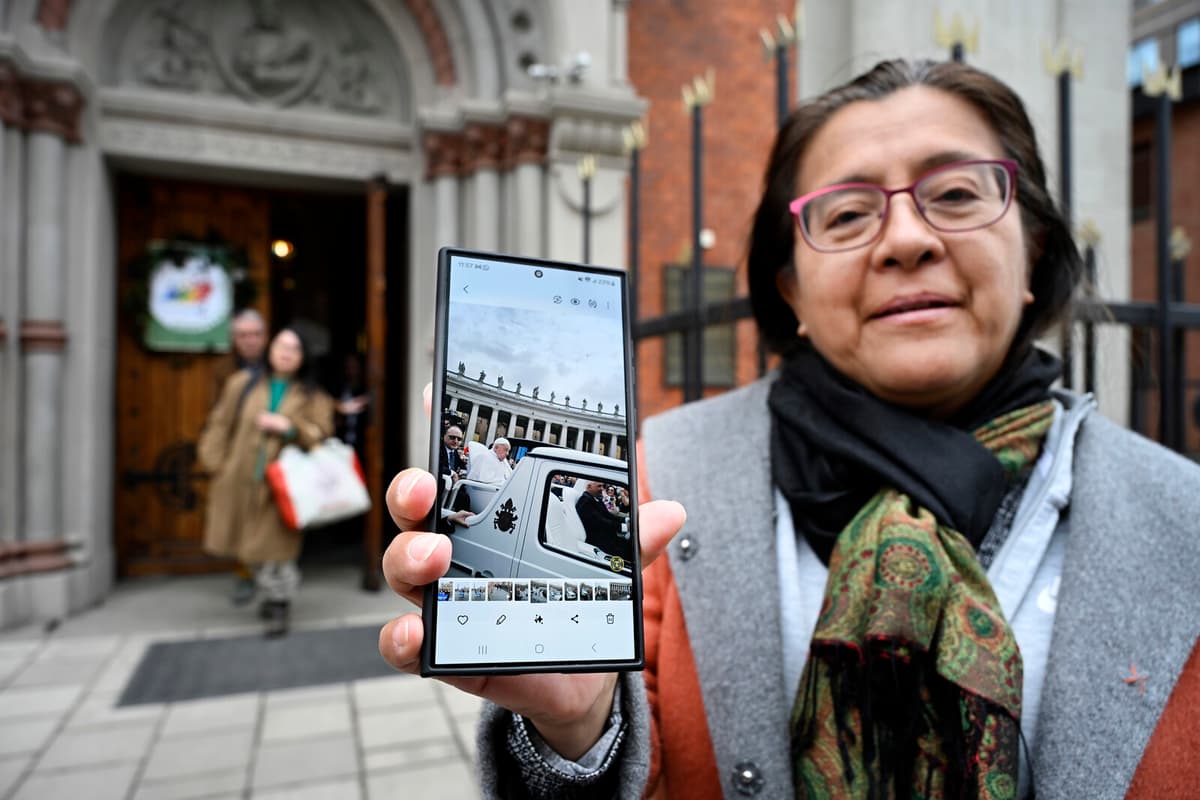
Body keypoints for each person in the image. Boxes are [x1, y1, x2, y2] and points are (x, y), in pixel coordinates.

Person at [376, 58, 1200, 799]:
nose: (908, 239)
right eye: (845, 214)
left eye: (955, 194)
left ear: (1035, 251)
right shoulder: (666, 477)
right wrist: (573, 731)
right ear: (791, 291)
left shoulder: (1183, 519)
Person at [198, 326, 334, 637]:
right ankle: (270, 593)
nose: (286, 352)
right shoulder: (243, 384)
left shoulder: (312, 394)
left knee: (277, 549)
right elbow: (220, 424)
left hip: (283, 485)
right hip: (241, 479)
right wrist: (215, 464)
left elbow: (322, 433)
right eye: (281, 345)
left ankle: (279, 603)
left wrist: (288, 427)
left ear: (303, 357)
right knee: (247, 546)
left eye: (294, 348)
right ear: (270, 349)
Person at [206, 308, 269, 606]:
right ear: (235, 339)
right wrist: (217, 461)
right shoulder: (224, 371)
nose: (250, 341)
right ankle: (244, 574)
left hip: (270, 454)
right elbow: (219, 419)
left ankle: (273, 582)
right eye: (244, 335)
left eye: (255, 334)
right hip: (238, 455)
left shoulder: (277, 365)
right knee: (241, 518)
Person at [574, 481, 628, 558]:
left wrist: (624, 520)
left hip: (606, 535)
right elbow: (600, 521)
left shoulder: (595, 499)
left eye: (602, 486)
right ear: (589, 487)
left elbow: (607, 515)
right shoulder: (585, 502)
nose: (602, 489)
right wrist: (621, 527)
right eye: (599, 486)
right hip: (598, 541)